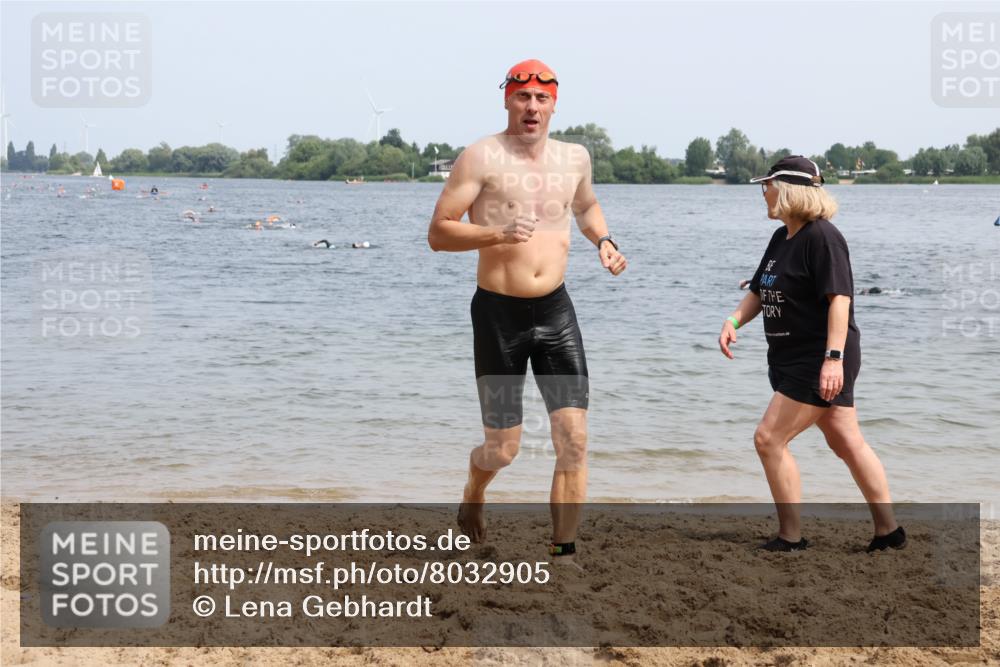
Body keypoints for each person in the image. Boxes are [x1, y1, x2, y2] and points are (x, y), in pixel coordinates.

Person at [427, 59, 626, 559]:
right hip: (499, 316)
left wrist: (603, 240)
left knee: (574, 440)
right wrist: (496, 232)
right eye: (522, 97)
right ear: (507, 100)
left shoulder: (574, 157)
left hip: (556, 313)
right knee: (504, 449)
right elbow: (438, 232)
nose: (531, 107)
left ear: (554, 103)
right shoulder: (481, 157)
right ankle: (474, 491)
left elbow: (585, 207)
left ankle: (563, 551)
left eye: (541, 99)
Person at [718, 155, 905, 553]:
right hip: (791, 357)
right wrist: (733, 322)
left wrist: (833, 358)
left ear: (788, 189)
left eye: (766, 185)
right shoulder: (782, 237)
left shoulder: (823, 237)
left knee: (768, 438)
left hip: (819, 358)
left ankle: (791, 536)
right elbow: (759, 290)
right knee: (847, 442)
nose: (763, 193)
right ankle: (889, 532)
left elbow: (840, 300)